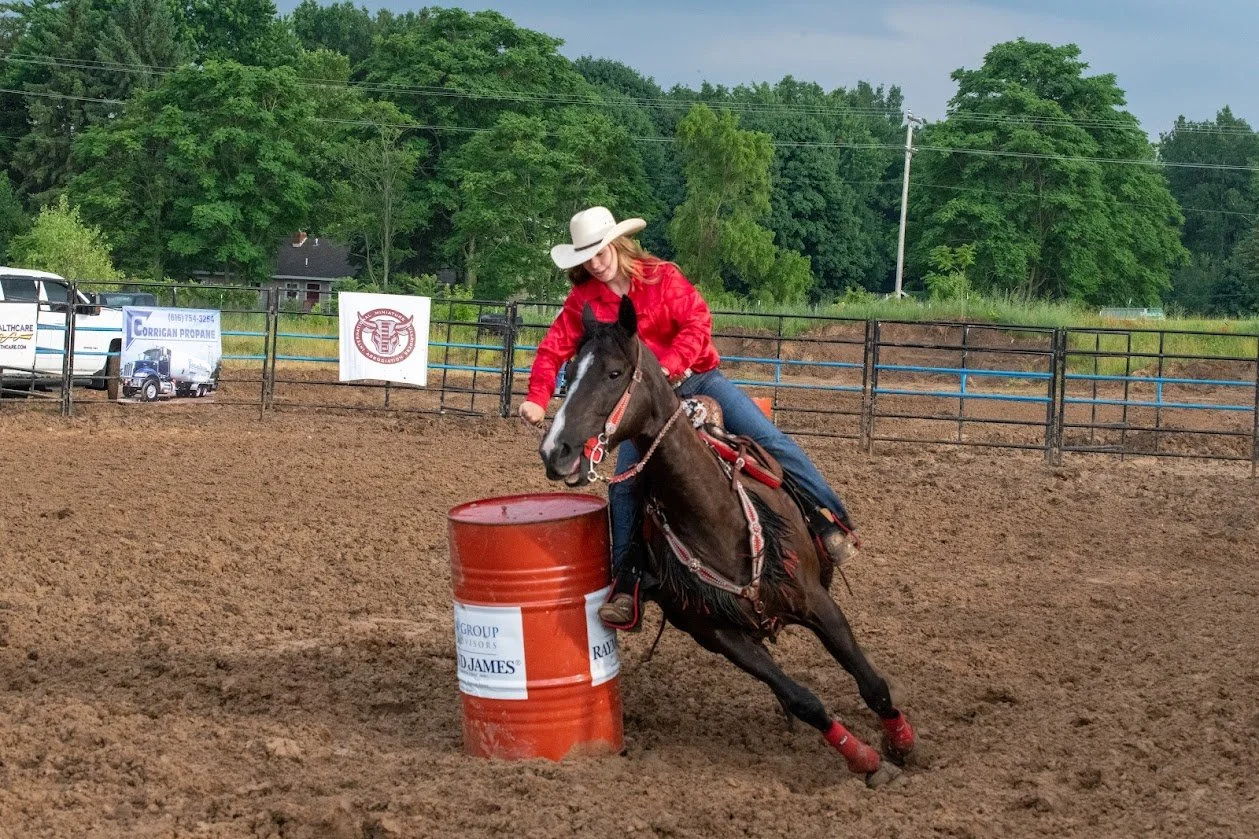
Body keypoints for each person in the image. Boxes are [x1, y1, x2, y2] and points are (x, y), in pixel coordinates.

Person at [520, 206, 859, 628]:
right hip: (642, 407)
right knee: (624, 488)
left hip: (697, 379)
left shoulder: (662, 277)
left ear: (616, 243)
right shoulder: (584, 299)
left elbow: (697, 321)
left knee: (770, 441)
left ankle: (828, 520)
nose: (595, 262)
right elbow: (554, 347)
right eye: (586, 256)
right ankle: (628, 586)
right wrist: (537, 397)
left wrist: (671, 365)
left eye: (600, 251)